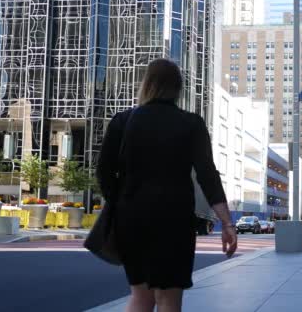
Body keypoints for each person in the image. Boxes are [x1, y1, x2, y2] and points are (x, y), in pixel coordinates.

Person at [96, 58, 237, 312]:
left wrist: (121, 199)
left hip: (132, 218)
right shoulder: (191, 124)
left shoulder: (123, 121)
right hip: (175, 220)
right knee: (168, 299)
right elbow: (207, 175)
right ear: (178, 88)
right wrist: (226, 222)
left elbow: (104, 172)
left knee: (140, 296)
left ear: (147, 84)